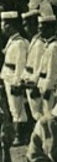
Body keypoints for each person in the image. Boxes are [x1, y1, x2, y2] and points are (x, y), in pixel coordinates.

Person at [1, 11, 29, 143]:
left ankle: (20, 135)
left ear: (9, 26)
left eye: (4, 24)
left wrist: (17, 82)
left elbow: (20, 64)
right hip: (8, 76)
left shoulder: (19, 43)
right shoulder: (12, 41)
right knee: (13, 108)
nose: (2, 27)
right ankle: (17, 134)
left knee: (17, 108)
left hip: (13, 78)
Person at [34, 14, 57, 119]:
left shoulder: (54, 47)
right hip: (42, 83)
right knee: (41, 115)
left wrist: (48, 88)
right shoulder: (47, 45)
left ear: (51, 29)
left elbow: (53, 71)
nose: (40, 31)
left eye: (42, 29)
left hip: (49, 86)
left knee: (49, 115)